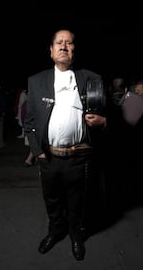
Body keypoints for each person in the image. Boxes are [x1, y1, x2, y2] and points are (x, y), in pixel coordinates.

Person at [24, 29, 107, 261]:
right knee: (51, 198)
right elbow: (29, 121)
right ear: (51, 51)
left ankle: (75, 235)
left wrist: (104, 121)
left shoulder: (91, 78)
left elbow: (111, 114)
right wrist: (37, 151)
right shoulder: (36, 80)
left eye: (69, 43)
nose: (64, 46)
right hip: (48, 157)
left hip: (79, 157)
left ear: (74, 50)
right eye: (59, 43)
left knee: (77, 200)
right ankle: (55, 231)